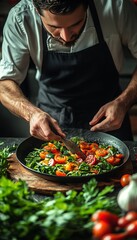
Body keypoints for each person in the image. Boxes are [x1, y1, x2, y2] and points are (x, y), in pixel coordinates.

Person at [0, 0, 137, 142]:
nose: (65, 37)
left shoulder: (116, 7)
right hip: (52, 118)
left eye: (76, 24)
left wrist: (123, 102)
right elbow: (4, 83)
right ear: (36, 10)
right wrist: (32, 113)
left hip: (111, 116)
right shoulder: (21, 17)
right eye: (54, 27)